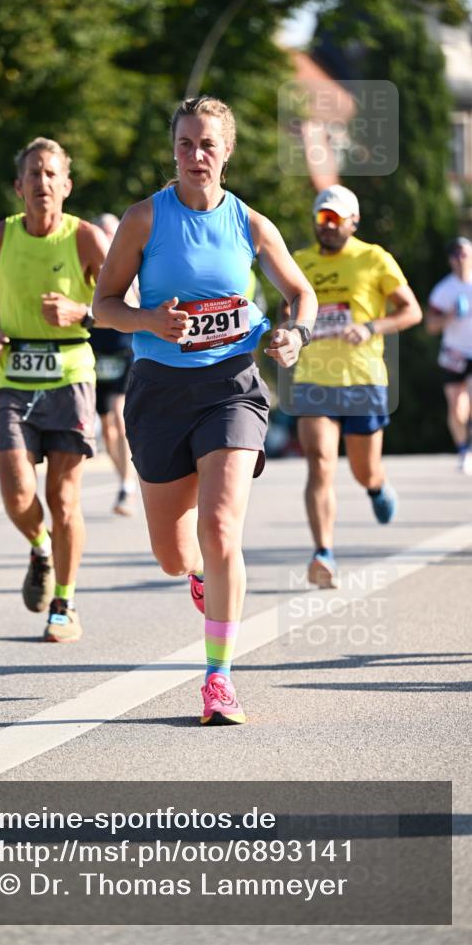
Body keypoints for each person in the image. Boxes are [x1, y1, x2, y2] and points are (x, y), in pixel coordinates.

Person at [93, 96, 318, 725]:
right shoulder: (144, 219)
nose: (197, 155)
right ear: (174, 149)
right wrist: (149, 321)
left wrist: (293, 335)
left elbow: (300, 292)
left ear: (228, 151)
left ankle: (218, 678)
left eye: (209, 145)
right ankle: (196, 574)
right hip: (159, 392)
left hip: (232, 386)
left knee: (220, 528)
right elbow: (103, 306)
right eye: (187, 143)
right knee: (173, 554)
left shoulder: (250, 224)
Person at [0, 137, 108, 643]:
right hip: (13, 375)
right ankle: (40, 546)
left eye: (51, 174)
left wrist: (81, 312)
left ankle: (65, 603)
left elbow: (129, 300)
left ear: (66, 186)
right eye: (34, 174)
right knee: (17, 487)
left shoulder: (87, 239)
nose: (42, 182)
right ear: (18, 186)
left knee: (65, 498)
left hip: (70, 374)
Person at [290, 185, 422, 588]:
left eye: (335, 219)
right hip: (313, 378)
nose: (326, 226)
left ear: (353, 221)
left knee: (363, 470)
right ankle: (323, 553)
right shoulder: (299, 262)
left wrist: (370, 327)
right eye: (321, 218)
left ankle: (376, 486)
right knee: (320, 463)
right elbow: (287, 312)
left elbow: (410, 311)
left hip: (363, 380)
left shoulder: (373, 258)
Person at [89, 213, 138, 516]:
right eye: (100, 231)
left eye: (110, 231)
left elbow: (135, 307)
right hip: (95, 353)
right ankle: (123, 480)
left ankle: (127, 485)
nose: (105, 237)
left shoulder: (129, 266)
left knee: (119, 418)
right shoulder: (82, 266)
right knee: (106, 428)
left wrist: (88, 314)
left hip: (124, 351)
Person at [426, 236, 472, 474]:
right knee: (456, 408)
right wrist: (449, 316)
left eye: (463, 253)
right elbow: (430, 326)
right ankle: (464, 449)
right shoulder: (444, 291)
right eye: (455, 255)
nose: (460, 259)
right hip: (454, 353)